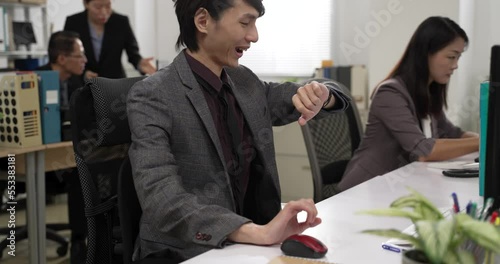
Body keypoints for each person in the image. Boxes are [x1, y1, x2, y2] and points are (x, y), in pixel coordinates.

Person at [126, 0, 350, 261]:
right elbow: (162, 200)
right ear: (203, 21)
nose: (254, 36)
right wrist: (256, 233)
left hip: (250, 244)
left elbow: (313, 93)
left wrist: (323, 94)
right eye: (245, 22)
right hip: (187, 250)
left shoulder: (244, 81)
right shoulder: (152, 95)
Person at [337, 16, 480, 192]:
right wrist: (483, 143)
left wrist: (486, 139)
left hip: (398, 187)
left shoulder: (427, 92)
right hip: (364, 190)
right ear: (426, 53)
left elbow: (453, 133)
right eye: (451, 57)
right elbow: (423, 151)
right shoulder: (390, 93)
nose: (456, 65)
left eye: (458, 57)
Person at [36, 30, 88, 264]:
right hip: (35, 160)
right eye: (80, 56)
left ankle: (91, 238)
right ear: (62, 59)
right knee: (79, 173)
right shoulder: (34, 83)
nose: (85, 61)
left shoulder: (78, 83)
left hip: (62, 154)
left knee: (88, 167)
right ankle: (79, 240)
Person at [63, 0, 156, 79]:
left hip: (115, 84)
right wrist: (83, 74)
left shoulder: (121, 22)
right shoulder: (73, 22)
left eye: (108, 6)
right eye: (98, 7)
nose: (104, 12)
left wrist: (140, 63)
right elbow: (67, 57)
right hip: (83, 87)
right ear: (86, 4)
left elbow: (133, 53)